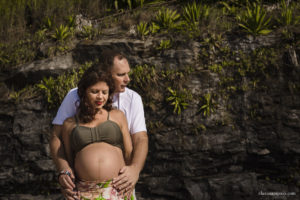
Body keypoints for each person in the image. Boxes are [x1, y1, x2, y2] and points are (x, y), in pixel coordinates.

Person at [50, 49, 148, 200]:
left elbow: (140, 140)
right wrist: (65, 172)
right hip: (84, 189)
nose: (127, 79)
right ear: (106, 73)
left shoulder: (131, 100)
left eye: (104, 92)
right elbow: (58, 139)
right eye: (121, 75)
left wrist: (134, 170)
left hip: (118, 186)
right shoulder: (74, 97)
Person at [61, 66, 133, 199]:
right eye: (94, 91)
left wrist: (130, 180)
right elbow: (69, 160)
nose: (100, 97)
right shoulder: (69, 124)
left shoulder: (118, 116)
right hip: (84, 192)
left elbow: (128, 153)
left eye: (104, 92)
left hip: (117, 189)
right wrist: (67, 184)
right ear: (84, 92)